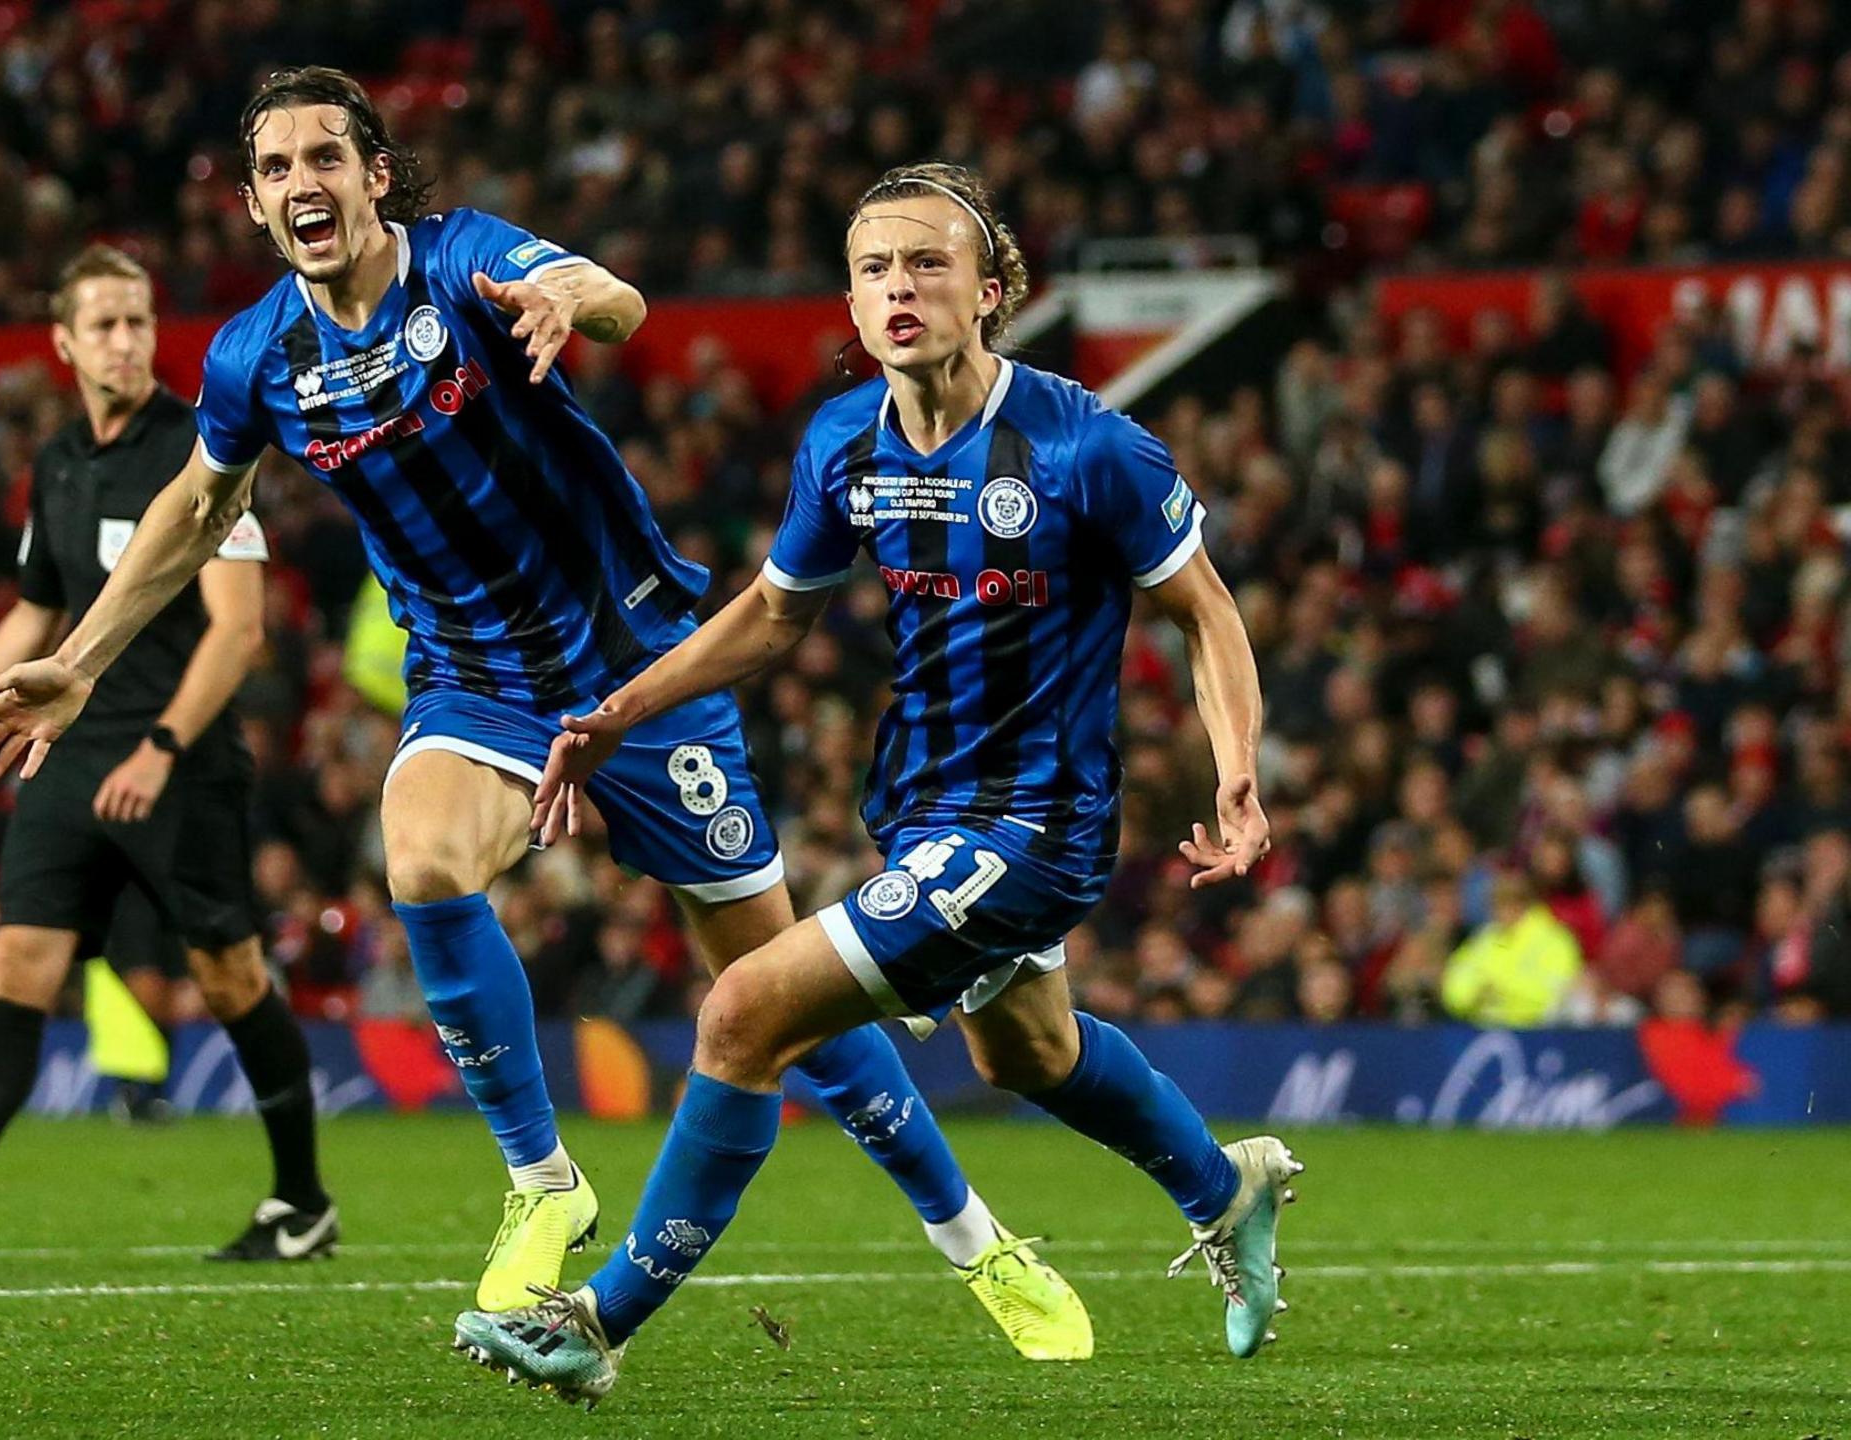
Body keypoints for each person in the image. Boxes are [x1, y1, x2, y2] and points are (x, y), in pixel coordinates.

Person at [0, 69, 1073, 1351]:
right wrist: (83, 661)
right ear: (255, 204)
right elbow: (198, 507)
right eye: (276, 167)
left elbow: (616, 299)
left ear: (375, 175)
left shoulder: (460, 260)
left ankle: (976, 1241)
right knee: (421, 859)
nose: (303, 181)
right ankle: (543, 1181)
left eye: (326, 156)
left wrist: (567, 298)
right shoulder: (255, 356)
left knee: (775, 995)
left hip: (636, 667)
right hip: (475, 679)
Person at [448, 162, 1303, 1406]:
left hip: (1032, 827)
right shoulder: (844, 442)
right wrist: (613, 715)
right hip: (922, 811)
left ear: (991, 290)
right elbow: (770, 615)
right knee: (1030, 1055)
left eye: (927, 263)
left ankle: (595, 1322)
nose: (899, 287)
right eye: (873, 269)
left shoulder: (1085, 445)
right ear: (850, 303)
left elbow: (1205, 613)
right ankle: (1226, 1189)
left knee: (742, 1011)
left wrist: (1237, 773)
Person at [0, 246, 336, 1265]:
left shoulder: (202, 448)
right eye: (103, 323)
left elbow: (237, 630)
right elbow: (32, 618)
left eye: (138, 320)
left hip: (176, 758)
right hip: (64, 750)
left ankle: (302, 1201)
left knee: (229, 976)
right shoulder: (56, 461)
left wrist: (161, 748)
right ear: (63, 343)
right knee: (18, 961)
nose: (125, 340)